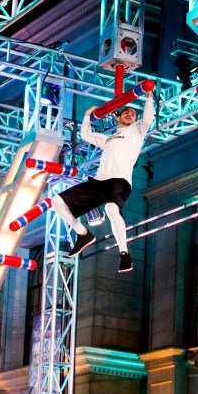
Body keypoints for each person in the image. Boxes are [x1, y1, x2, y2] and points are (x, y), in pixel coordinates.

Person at [51, 89, 154, 272]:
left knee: (111, 208)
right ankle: (82, 234)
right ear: (118, 118)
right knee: (57, 202)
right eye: (127, 112)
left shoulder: (137, 132)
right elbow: (86, 135)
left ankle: (124, 254)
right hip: (99, 182)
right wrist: (87, 115)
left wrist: (148, 97)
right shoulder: (108, 139)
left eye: (133, 114)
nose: (131, 114)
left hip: (120, 181)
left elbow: (147, 120)